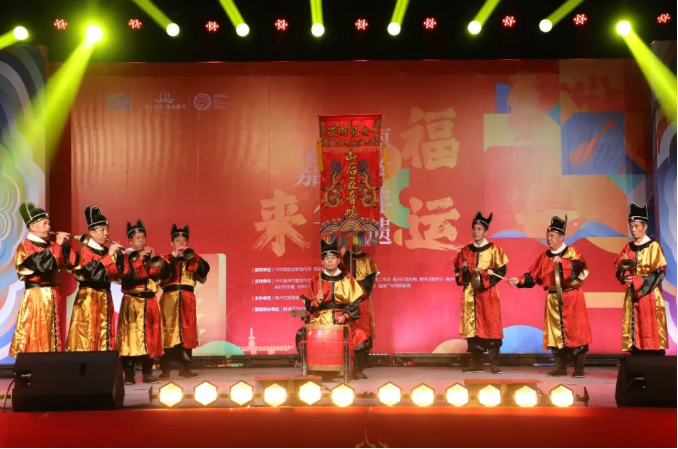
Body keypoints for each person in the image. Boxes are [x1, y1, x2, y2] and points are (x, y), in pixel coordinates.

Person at [508, 215, 592, 378]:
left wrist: (563, 262)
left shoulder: (572, 252)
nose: (549, 238)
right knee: (556, 333)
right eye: (548, 235)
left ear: (561, 237)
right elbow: (533, 276)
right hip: (553, 299)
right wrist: (519, 280)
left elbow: (581, 268)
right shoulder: (544, 257)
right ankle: (560, 367)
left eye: (552, 235)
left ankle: (579, 368)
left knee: (577, 332)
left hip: (572, 297)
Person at [9, 202, 77, 357]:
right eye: (44, 224)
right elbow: (39, 264)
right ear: (32, 227)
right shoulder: (25, 245)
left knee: (53, 332)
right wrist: (57, 245)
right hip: (36, 295)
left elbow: (70, 263)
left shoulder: (52, 245)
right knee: (35, 331)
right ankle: (34, 364)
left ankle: (52, 362)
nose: (48, 227)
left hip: (53, 294)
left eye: (49, 224)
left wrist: (66, 246)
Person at [297, 239, 369, 380]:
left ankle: (357, 370)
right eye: (327, 258)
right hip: (321, 318)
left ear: (338, 260)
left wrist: (345, 316)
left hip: (343, 317)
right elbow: (308, 304)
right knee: (302, 334)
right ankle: (314, 368)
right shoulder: (316, 279)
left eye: (333, 258)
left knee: (360, 334)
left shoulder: (347, 279)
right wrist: (316, 302)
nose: (330, 261)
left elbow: (356, 302)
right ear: (322, 262)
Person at [453, 212, 508, 374]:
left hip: (488, 294)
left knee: (491, 326)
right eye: (474, 228)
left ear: (485, 231)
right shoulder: (465, 251)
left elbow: (501, 270)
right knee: (472, 327)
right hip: (470, 294)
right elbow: (458, 273)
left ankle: (494, 363)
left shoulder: (494, 250)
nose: (476, 231)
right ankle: (476, 363)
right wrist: (463, 270)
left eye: (479, 229)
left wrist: (483, 274)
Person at [117, 219, 171, 384]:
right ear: (130, 241)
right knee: (129, 338)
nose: (141, 240)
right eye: (137, 238)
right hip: (133, 301)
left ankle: (148, 372)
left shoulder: (151, 256)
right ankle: (129, 374)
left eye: (143, 237)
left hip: (150, 301)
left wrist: (155, 257)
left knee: (150, 338)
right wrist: (139, 260)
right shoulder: (125, 257)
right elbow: (127, 278)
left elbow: (165, 275)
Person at [67, 206, 124, 352]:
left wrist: (119, 258)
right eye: (102, 230)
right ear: (92, 233)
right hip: (89, 297)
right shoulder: (85, 250)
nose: (106, 233)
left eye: (107, 230)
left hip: (105, 296)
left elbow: (116, 276)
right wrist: (109, 256)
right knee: (88, 332)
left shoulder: (106, 250)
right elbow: (92, 272)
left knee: (104, 333)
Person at [614, 203, 668, 355]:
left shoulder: (653, 246)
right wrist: (623, 271)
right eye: (631, 226)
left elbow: (659, 273)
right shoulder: (628, 247)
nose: (633, 229)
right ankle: (636, 355)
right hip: (632, 294)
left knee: (649, 325)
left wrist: (639, 281)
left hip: (648, 294)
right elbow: (620, 271)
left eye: (636, 226)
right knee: (634, 326)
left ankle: (652, 356)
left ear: (645, 227)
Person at [159, 224, 210, 379]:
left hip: (187, 299)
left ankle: (185, 368)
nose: (181, 243)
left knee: (187, 332)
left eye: (184, 241)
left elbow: (204, 271)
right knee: (167, 332)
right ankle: (165, 369)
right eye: (177, 241)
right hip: (169, 299)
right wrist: (174, 257)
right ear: (172, 243)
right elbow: (162, 275)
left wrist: (193, 257)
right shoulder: (165, 259)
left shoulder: (193, 259)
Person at [340, 242, 378, 368]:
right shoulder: (346, 257)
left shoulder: (367, 258)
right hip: (348, 297)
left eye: (358, 239)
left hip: (362, 298)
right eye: (354, 239)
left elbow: (371, 277)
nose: (356, 243)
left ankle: (362, 361)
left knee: (363, 327)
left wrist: (359, 289)